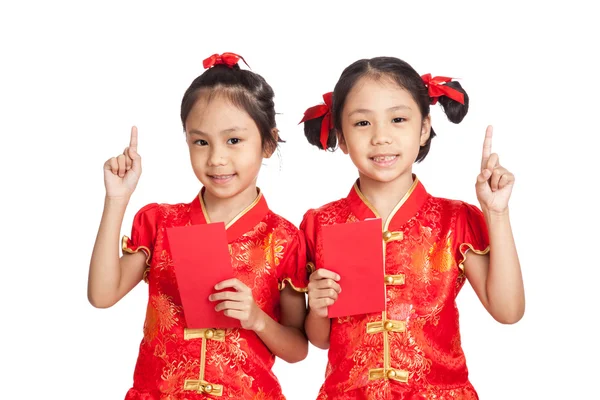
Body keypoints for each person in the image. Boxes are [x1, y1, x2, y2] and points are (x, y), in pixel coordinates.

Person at [300, 56, 525, 399]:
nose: (381, 137)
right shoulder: (321, 223)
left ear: (423, 129)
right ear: (341, 137)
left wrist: (497, 213)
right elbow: (322, 338)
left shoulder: (455, 220)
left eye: (398, 119)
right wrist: (317, 307)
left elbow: (508, 311)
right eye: (362, 123)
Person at [88, 52, 309, 399]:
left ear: (267, 143)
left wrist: (257, 319)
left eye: (234, 140)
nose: (216, 158)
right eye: (200, 142)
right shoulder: (160, 222)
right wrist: (117, 200)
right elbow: (102, 295)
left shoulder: (283, 239)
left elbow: (298, 349)